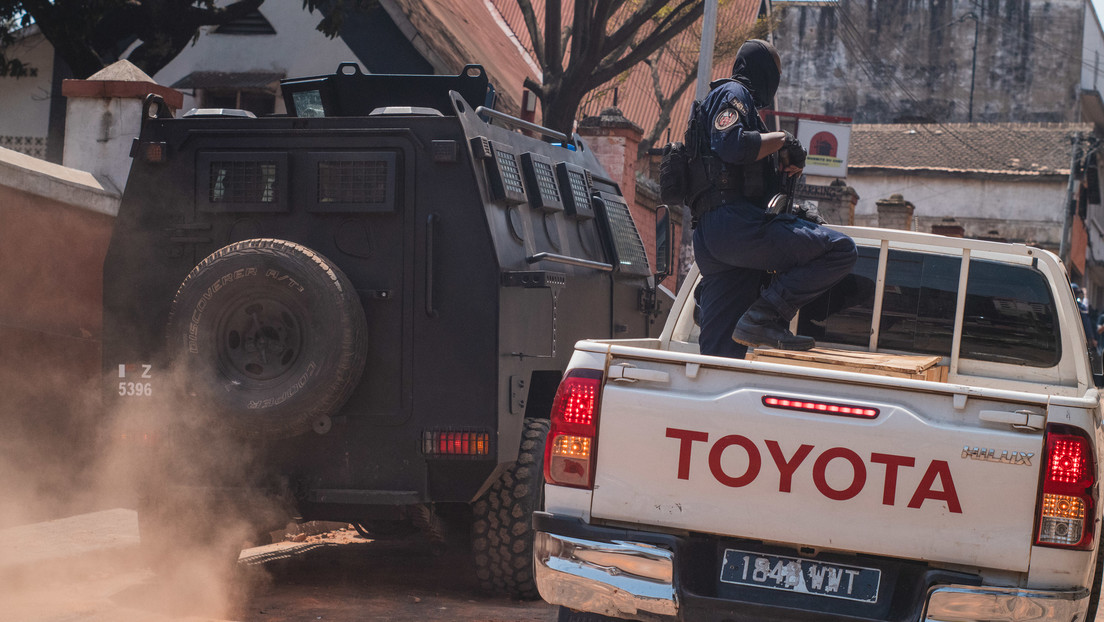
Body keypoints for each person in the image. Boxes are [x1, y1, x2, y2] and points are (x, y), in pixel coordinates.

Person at [689, 39, 858, 358]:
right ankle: (765, 316)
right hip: (734, 226)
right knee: (839, 250)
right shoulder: (733, 93)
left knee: (722, 352)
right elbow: (733, 146)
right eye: (775, 73)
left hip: (714, 238)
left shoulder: (736, 107)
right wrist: (783, 139)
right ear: (761, 70)